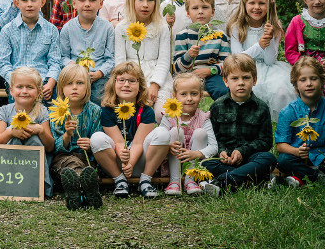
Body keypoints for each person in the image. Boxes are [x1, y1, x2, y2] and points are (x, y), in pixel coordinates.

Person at [275, 56, 325, 187]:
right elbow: (281, 146)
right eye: (303, 80)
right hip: (298, 157)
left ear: (322, 80)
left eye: (313, 78)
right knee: (283, 160)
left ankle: (302, 176)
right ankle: (320, 177)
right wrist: (296, 152)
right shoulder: (288, 111)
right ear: (296, 84)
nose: (309, 83)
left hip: (323, 158)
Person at [203, 54, 277, 196]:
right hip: (225, 160)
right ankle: (257, 180)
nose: (241, 82)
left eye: (246, 78)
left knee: (269, 159)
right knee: (206, 164)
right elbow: (213, 137)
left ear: (254, 80)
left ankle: (223, 182)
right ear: (225, 81)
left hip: (250, 159)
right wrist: (222, 152)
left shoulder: (261, 107)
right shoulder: (217, 106)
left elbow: (266, 141)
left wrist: (243, 151)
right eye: (235, 78)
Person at [227, 0, 295, 120]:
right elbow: (238, 59)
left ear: (269, 5)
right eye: (252, 3)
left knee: (281, 91)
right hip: (244, 69)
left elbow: (270, 60)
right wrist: (259, 45)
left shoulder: (274, 26)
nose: (257, 7)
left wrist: (269, 38)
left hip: (270, 69)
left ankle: (281, 123)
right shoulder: (237, 27)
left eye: (262, 3)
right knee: (253, 90)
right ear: (244, 4)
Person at [90, 62, 158, 199]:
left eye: (132, 81)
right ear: (113, 84)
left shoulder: (146, 111)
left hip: (139, 162)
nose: (126, 84)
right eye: (121, 80)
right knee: (97, 137)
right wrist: (124, 158)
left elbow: (139, 143)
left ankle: (145, 180)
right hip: (117, 162)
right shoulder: (108, 111)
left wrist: (131, 163)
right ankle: (119, 180)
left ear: (140, 87)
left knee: (162, 133)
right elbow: (118, 142)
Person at [0, 0, 62, 101]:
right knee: (19, 115)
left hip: (43, 82)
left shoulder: (51, 30)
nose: (29, 4)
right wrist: (16, 82)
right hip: (17, 83)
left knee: (48, 115)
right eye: (24, 0)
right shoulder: (7, 30)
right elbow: (2, 63)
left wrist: (51, 83)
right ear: (17, 3)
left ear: (42, 2)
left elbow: (55, 61)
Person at [0, 67, 56, 197]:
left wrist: (40, 130)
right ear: (11, 91)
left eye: (29, 87)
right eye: (19, 87)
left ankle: (39, 185)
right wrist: (11, 132)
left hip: (34, 167)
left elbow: (50, 147)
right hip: (9, 166)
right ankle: (8, 184)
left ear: (39, 92)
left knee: (33, 138)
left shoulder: (42, 111)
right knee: (13, 136)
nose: (24, 91)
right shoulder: (4, 111)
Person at [115, 0, 172, 114]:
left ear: (156, 2)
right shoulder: (122, 28)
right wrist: (130, 82)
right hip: (129, 78)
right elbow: (120, 61)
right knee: (129, 114)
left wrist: (155, 85)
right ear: (131, 0)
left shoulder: (162, 27)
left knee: (161, 114)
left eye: (150, 0)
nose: (145, 4)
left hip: (158, 77)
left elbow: (164, 60)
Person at [50, 63, 104, 209]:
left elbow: (100, 137)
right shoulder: (56, 112)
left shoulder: (95, 111)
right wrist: (67, 134)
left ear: (87, 87)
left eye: (79, 83)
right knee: (71, 166)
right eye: (69, 83)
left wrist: (91, 143)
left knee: (86, 169)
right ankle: (85, 190)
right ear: (61, 88)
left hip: (87, 158)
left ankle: (77, 191)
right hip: (63, 159)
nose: (74, 87)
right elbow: (54, 146)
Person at [160, 73, 218, 196]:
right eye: (183, 94)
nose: (189, 98)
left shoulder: (203, 118)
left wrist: (196, 153)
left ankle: (190, 180)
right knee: (176, 131)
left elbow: (213, 147)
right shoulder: (169, 116)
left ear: (201, 95)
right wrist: (168, 146)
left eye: (194, 93)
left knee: (200, 133)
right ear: (174, 96)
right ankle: (174, 181)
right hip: (172, 159)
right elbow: (159, 139)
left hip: (194, 162)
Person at [60, 0, 115, 105]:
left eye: (92, 0)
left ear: (101, 3)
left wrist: (100, 73)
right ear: (74, 3)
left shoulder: (107, 28)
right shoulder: (67, 28)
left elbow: (111, 58)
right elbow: (62, 57)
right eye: (82, 0)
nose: (87, 4)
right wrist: (72, 65)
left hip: (99, 78)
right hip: (74, 76)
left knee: (101, 99)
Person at [173, 0, 231, 100]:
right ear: (188, 13)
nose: (200, 11)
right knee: (179, 91)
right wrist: (188, 56)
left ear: (213, 11)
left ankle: (221, 114)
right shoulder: (183, 35)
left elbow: (227, 65)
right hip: (187, 76)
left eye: (205, 7)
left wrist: (210, 70)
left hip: (212, 76)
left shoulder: (219, 35)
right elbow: (177, 69)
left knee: (223, 91)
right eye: (195, 8)